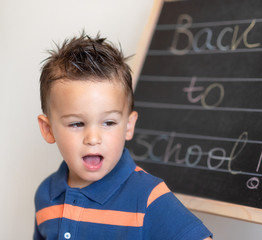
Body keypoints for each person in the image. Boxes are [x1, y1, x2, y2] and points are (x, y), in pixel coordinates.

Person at [34, 32, 213, 240]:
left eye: (108, 122)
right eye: (76, 123)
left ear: (128, 126)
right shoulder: (46, 195)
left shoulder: (148, 196)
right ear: (48, 130)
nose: (93, 138)